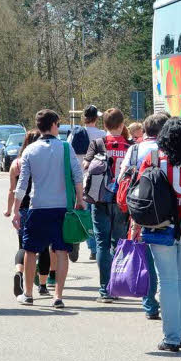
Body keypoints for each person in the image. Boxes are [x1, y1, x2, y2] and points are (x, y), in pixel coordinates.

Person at [137, 118, 181, 352]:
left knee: (167, 281)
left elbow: (142, 193)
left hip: (161, 224)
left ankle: (172, 337)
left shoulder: (153, 158)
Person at [12, 110, 85, 308]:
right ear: (53, 125)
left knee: (30, 250)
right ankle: (58, 296)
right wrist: (81, 200)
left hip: (38, 207)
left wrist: (16, 210)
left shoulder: (29, 150)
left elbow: (22, 185)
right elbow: (77, 176)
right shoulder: (65, 147)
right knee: (61, 251)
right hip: (63, 208)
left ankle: (28, 294)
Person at [117, 113, 170, 319]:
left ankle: (150, 306)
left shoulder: (135, 149)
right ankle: (168, 302)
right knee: (164, 259)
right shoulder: (168, 150)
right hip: (166, 211)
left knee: (145, 257)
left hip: (140, 210)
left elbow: (122, 178)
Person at [84, 108, 132, 303]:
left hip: (100, 197)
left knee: (102, 243)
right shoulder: (130, 145)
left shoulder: (97, 144)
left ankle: (105, 289)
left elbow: (86, 167)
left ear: (104, 125)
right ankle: (117, 284)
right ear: (122, 125)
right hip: (122, 200)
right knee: (118, 242)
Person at [3, 131, 52, 297]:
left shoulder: (16, 164)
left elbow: (12, 190)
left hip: (23, 209)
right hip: (41, 206)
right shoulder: (42, 161)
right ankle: (43, 285)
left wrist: (10, 209)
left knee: (24, 245)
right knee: (44, 246)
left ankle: (19, 272)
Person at [81, 104, 106, 261]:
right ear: (96, 118)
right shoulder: (102, 134)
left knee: (86, 213)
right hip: (97, 178)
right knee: (96, 213)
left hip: (80, 177)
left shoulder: (76, 133)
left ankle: (91, 246)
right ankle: (97, 246)